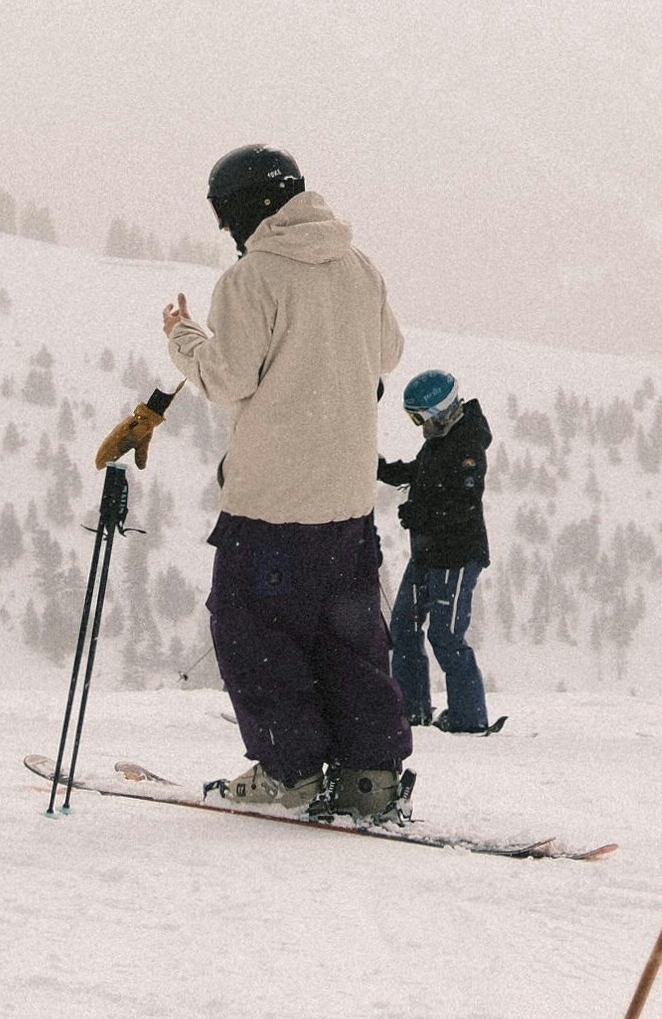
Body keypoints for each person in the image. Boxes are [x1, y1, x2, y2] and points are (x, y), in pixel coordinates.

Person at [155, 144, 410, 821]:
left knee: (255, 636)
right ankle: (370, 777)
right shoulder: (359, 267)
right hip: (347, 502)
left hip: (270, 504)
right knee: (350, 641)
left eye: (225, 215)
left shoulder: (251, 279)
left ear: (247, 207)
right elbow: (389, 353)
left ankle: (289, 772)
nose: (226, 230)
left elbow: (227, 377)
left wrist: (183, 338)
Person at [379, 368, 495, 734]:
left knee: (445, 636)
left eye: (419, 418)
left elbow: (465, 504)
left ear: (439, 411)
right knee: (404, 628)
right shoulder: (441, 440)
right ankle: (411, 710)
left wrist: (422, 514)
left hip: (456, 557)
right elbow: (421, 471)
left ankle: (469, 717)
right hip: (427, 553)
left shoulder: (467, 445)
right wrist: (381, 470)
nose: (419, 426)